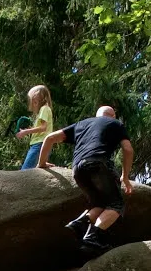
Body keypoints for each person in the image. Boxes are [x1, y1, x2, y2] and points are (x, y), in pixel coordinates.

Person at [37, 105, 135, 255]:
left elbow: (49, 138)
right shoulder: (115, 124)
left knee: (100, 204)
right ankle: (92, 237)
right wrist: (125, 176)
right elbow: (128, 149)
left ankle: (79, 223)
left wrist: (42, 163)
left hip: (78, 169)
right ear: (113, 116)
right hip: (98, 164)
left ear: (97, 115)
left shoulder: (81, 125)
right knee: (116, 204)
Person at [14, 85, 55, 170]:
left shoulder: (44, 108)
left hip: (39, 144)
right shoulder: (43, 110)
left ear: (37, 99)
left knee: (25, 170)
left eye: (34, 101)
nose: (33, 104)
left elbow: (43, 127)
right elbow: (42, 128)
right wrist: (30, 129)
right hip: (41, 144)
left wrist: (26, 132)